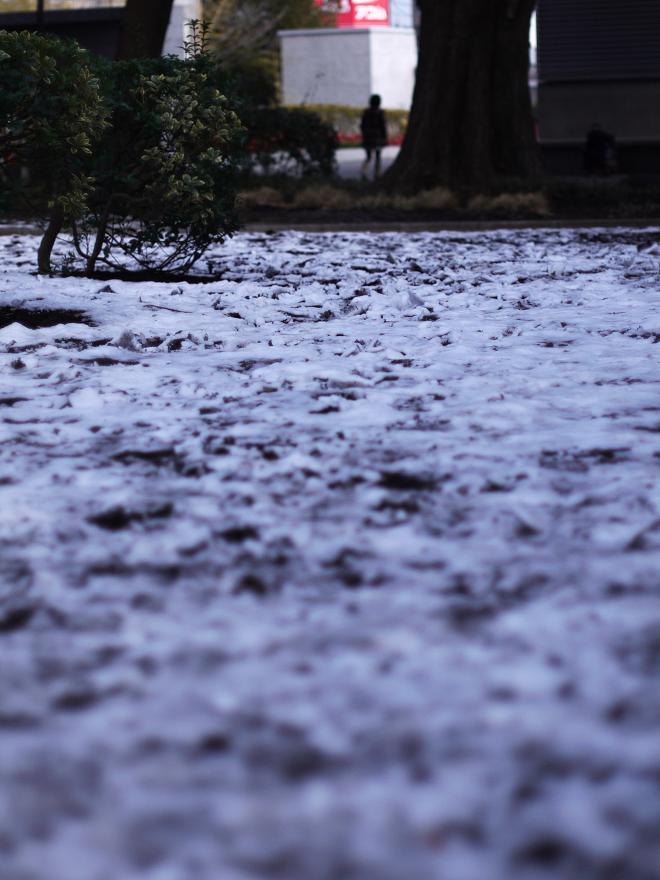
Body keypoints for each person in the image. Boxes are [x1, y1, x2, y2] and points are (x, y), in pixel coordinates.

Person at [360, 94, 387, 180]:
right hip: (377, 137)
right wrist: (385, 138)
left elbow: (362, 125)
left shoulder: (366, 112)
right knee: (378, 157)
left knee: (368, 157)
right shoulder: (380, 112)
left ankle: (363, 171)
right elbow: (383, 126)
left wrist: (364, 133)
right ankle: (377, 174)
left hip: (367, 137)